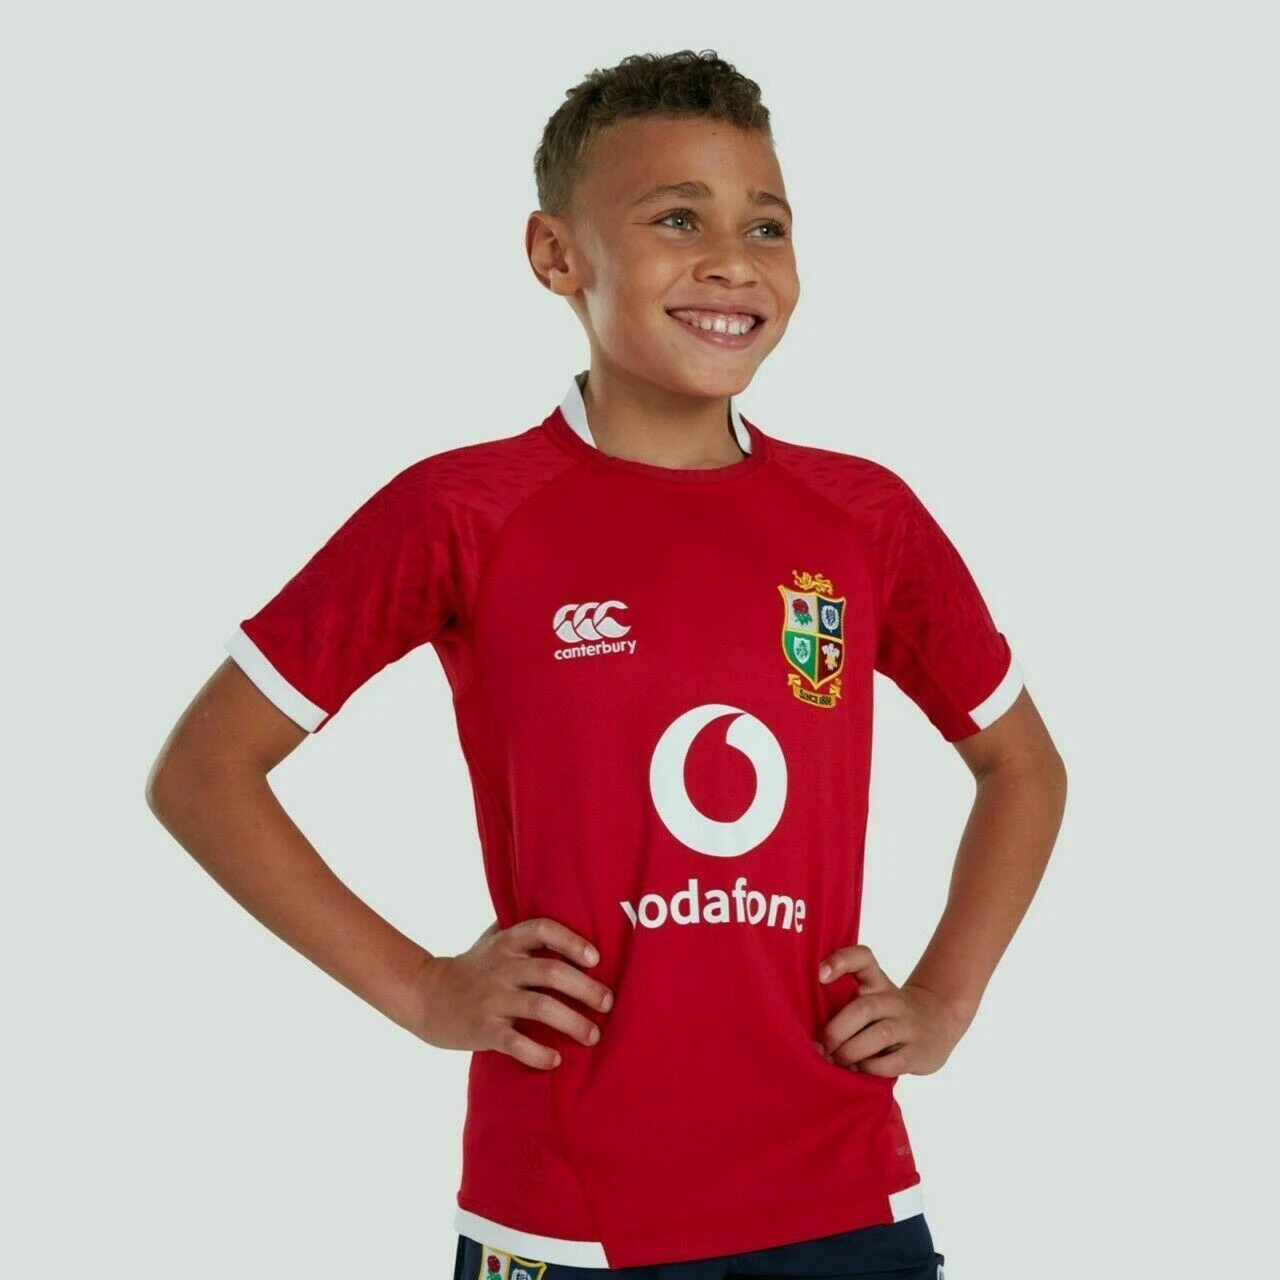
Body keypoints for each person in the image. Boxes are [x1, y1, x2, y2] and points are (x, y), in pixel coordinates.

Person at [145, 48, 1067, 1280]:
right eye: (676, 218)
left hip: (845, 1187)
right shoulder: (464, 510)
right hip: (569, 1209)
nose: (730, 260)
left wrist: (943, 1001)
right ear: (554, 254)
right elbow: (204, 770)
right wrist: (421, 990)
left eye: (765, 224)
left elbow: (1020, 764)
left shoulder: (861, 517)